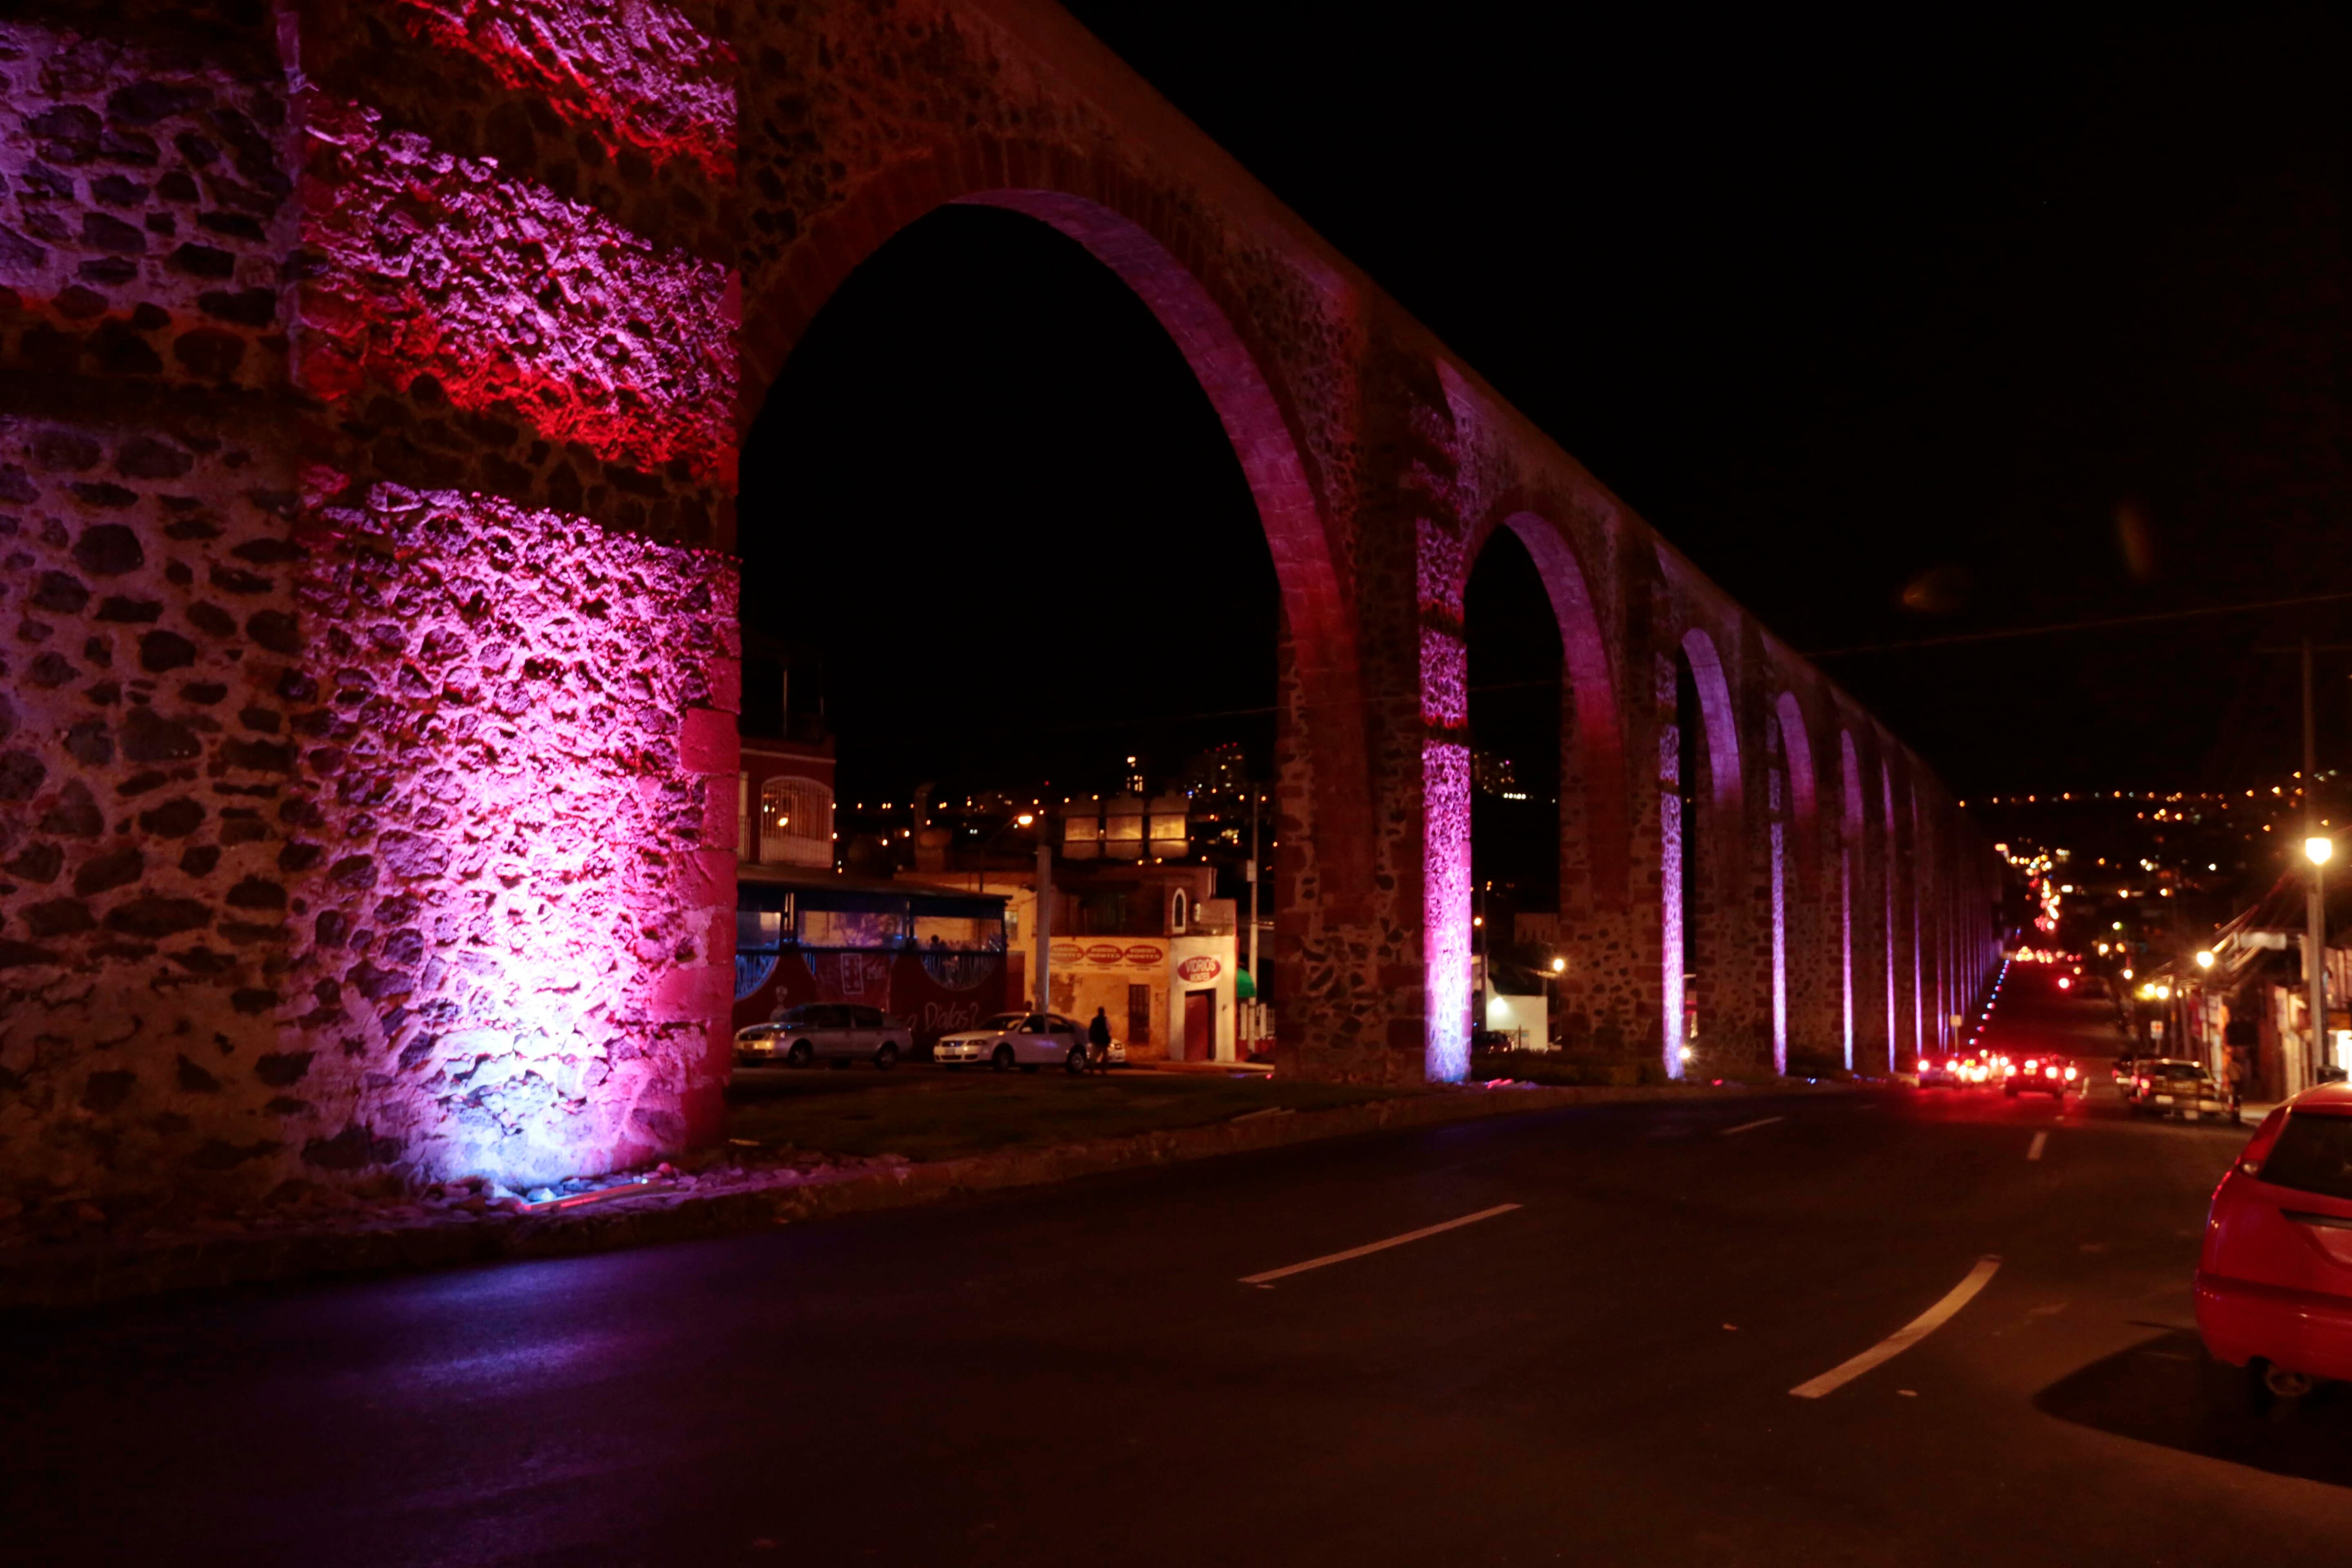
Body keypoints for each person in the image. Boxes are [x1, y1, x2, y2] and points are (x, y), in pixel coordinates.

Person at [1087, 1007, 1113, 1073]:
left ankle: (1092, 1070)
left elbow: (1091, 1030)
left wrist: (1092, 1039)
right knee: (1104, 1057)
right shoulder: (1105, 1020)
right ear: (1103, 1012)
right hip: (1103, 1041)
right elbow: (1109, 1029)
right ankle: (1103, 1071)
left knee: (1094, 1056)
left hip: (1097, 1041)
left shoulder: (1095, 1020)